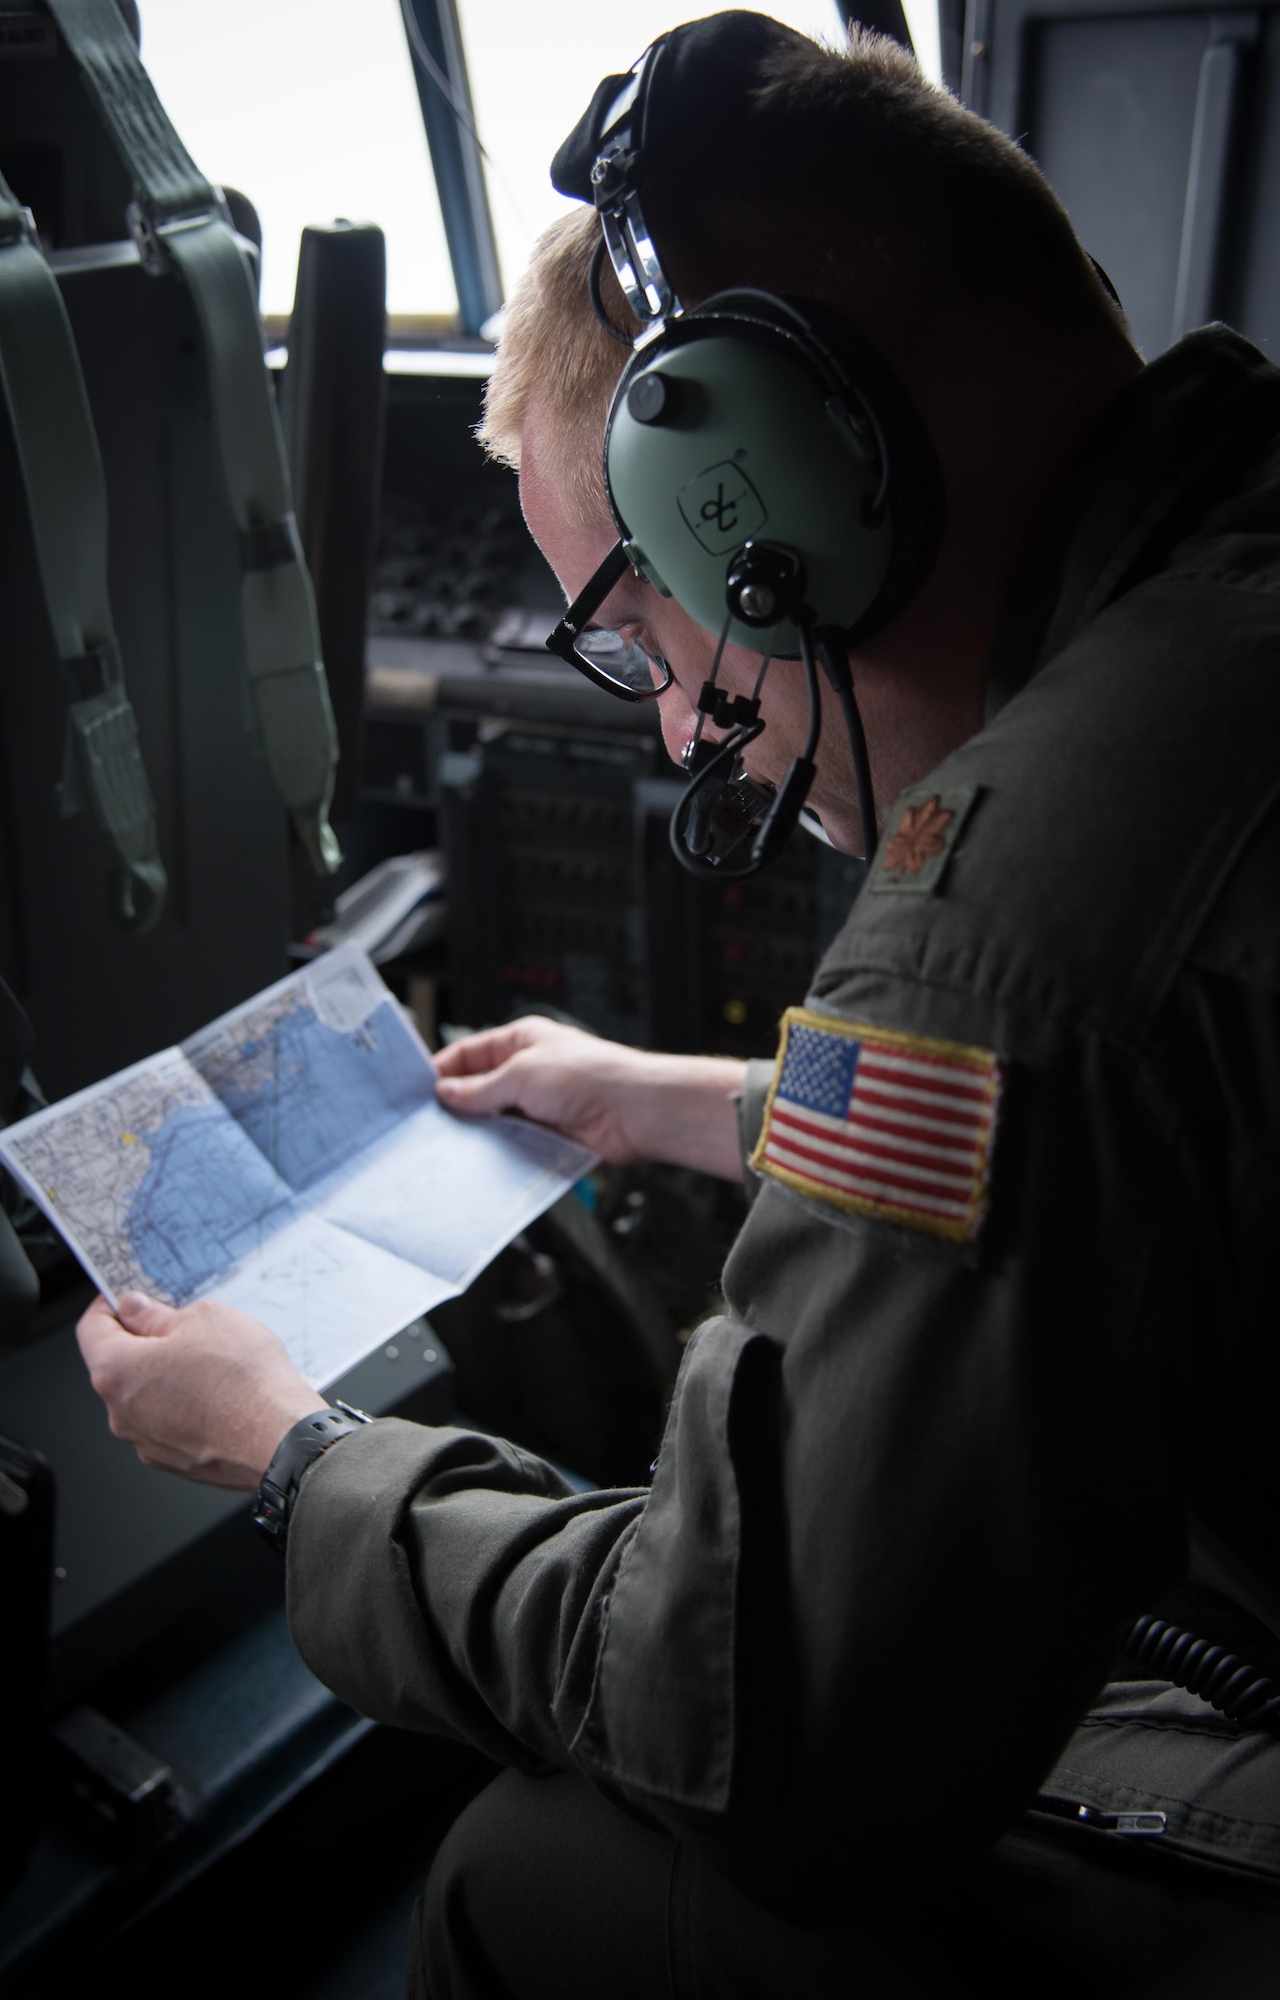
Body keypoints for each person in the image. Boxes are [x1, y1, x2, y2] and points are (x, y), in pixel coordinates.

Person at [77, 14, 1280, 1994]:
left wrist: (295, 1450)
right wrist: (682, 1095)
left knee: (532, 1874)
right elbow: (1141, 1119)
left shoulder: (1004, 907)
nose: (685, 736)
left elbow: (761, 1726)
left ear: (776, 505)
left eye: (643, 628)